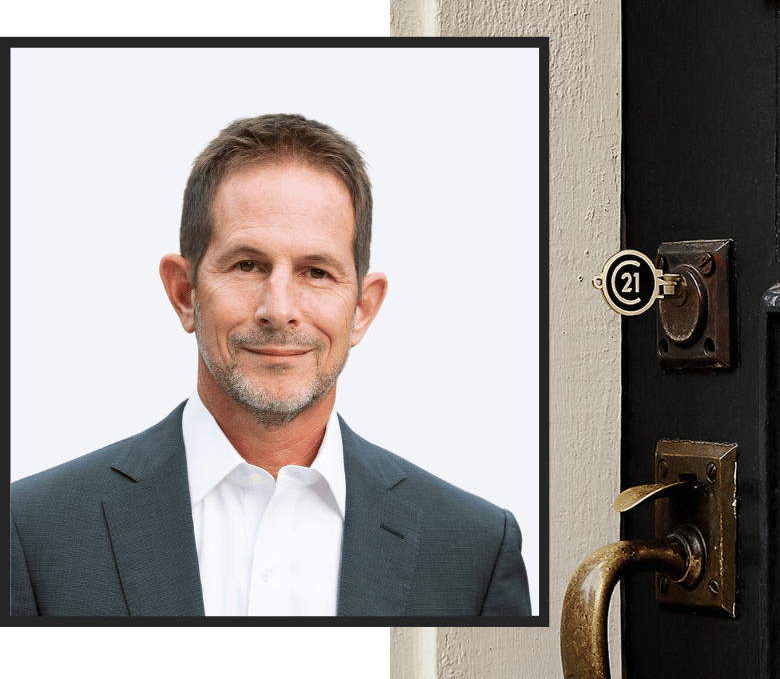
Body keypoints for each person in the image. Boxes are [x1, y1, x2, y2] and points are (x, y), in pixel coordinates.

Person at [11, 114, 531, 617]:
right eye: (247, 265)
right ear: (185, 293)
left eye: (317, 272)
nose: (279, 308)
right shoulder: (33, 533)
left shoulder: (476, 552)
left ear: (363, 310)